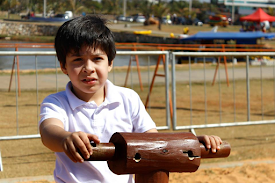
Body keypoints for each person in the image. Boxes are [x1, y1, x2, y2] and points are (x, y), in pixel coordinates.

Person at [39, 15, 223, 183]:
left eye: (97, 58)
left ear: (110, 63)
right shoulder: (57, 102)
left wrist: (191, 143)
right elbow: (48, 131)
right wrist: (65, 139)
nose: (88, 68)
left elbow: (153, 142)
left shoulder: (128, 98)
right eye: (78, 60)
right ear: (63, 66)